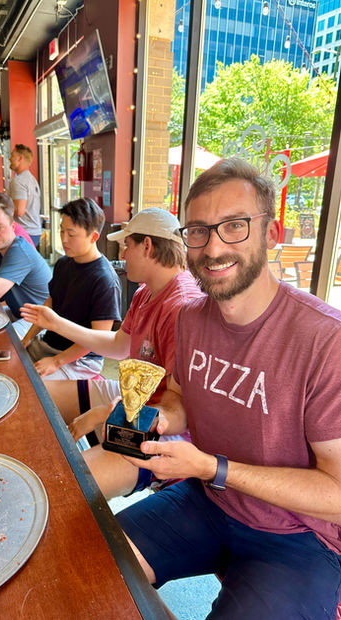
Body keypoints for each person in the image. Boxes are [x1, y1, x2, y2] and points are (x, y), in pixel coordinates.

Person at [109, 159, 341, 619]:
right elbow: (180, 399)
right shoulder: (191, 318)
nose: (213, 247)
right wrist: (160, 418)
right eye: (198, 230)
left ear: (271, 233)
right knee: (94, 563)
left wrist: (213, 467)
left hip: (299, 537)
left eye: (234, 226)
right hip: (208, 500)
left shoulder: (325, 340)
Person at [21, 207, 203, 496]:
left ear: (148, 246)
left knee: (63, 487)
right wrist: (55, 323)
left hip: (164, 430)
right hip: (132, 401)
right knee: (31, 394)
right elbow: (119, 346)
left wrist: (108, 414)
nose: (123, 253)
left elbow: (180, 411)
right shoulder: (145, 292)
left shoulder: (183, 307)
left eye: (127, 245)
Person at [21, 198, 122, 380]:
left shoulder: (105, 280)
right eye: (61, 230)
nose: (64, 239)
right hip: (49, 345)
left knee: (34, 389)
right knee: (11, 364)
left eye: (71, 234)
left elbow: (98, 339)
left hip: (82, 359)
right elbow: (49, 305)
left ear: (93, 237)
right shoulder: (63, 263)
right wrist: (27, 338)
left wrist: (56, 361)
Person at [0, 193, 51, 329]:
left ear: (12, 227)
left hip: (41, 322)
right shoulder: (0, 249)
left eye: (0, 227)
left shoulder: (19, 251)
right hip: (20, 313)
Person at [8, 144, 42, 248]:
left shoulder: (19, 181)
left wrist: (1, 209)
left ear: (20, 158)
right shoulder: (32, 179)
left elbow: (19, 211)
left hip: (24, 232)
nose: (10, 158)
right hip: (34, 231)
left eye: (12, 155)